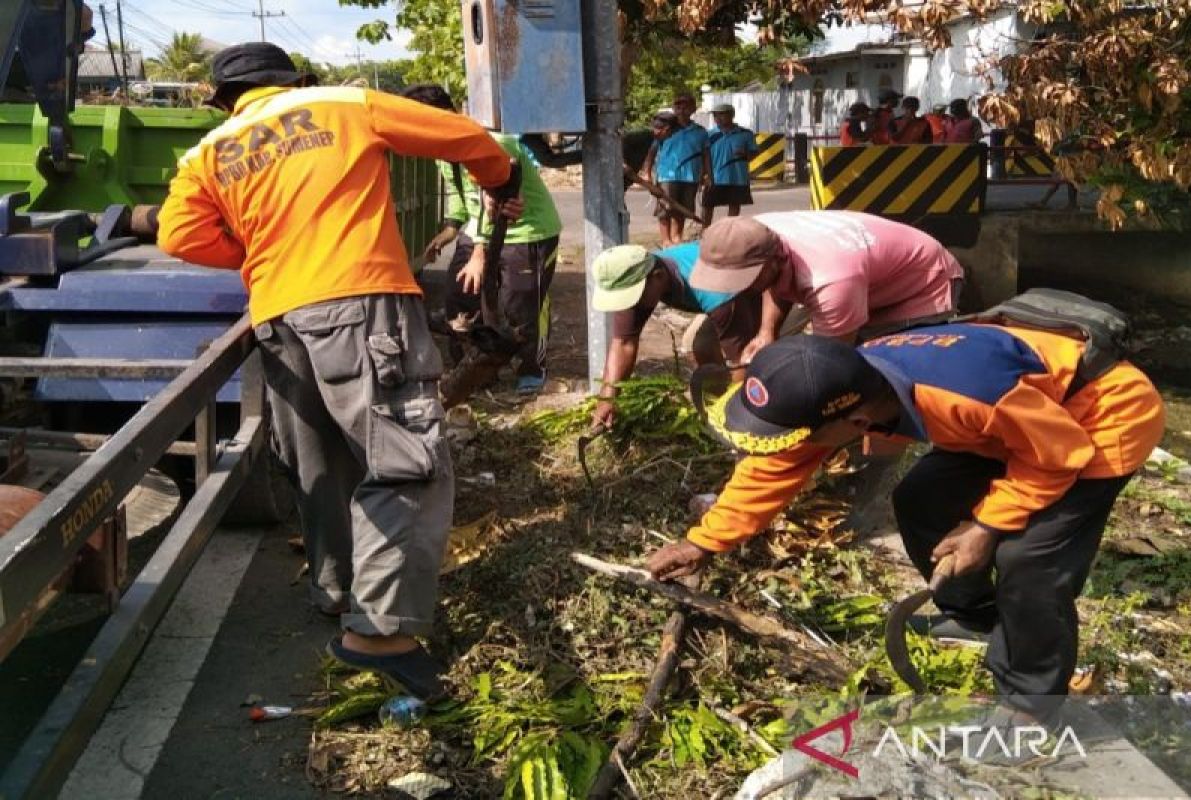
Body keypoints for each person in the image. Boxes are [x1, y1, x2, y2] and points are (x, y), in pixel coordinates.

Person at [157, 43, 519, 700]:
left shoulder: (210, 152)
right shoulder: (339, 103)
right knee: (408, 460)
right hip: (360, 300)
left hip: (278, 314)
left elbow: (177, 237)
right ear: (295, 79)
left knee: (319, 460)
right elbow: (467, 138)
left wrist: (260, 249)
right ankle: (378, 636)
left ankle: (339, 591)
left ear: (224, 99)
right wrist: (502, 183)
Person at [646, 326, 1164, 727]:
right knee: (919, 500)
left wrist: (985, 525)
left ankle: (1032, 704)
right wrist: (702, 542)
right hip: (1015, 424)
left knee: (1028, 558)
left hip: (1097, 419)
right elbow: (774, 466)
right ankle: (976, 615)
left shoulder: (963, 394)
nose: (788, 446)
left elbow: (1057, 457)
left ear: (854, 425)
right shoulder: (846, 382)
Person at [404, 84, 562, 396]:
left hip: (527, 234)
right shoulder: (441, 150)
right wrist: (448, 232)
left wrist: (480, 254)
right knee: (460, 301)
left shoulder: (490, 143)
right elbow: (463, 200)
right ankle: (475, 369)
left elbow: (497, 205)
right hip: (478, 232)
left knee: (521, 307)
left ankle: (531, 368)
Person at [688, 212, 964, 364]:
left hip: (921, 283)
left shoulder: (829, 280)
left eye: (741, 281)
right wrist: (766, 332)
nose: (734, 291)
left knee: (884, 369)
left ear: (772, 261)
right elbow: (777, 282)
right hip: (865, 274)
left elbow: (828, 361)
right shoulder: (757, 232)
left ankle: (883, 459)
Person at [587, 242, 761, 430]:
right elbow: (623, 342)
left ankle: (749, 418)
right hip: (731, 293)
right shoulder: (640, 274)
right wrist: (607, 398)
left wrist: (740, 425)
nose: (630, 306)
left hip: (773, 289)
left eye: (633, 297)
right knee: (702, 345)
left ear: (658, 277)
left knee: (767, 353)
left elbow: (742, 361)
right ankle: (718, 411)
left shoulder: (714, 294)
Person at [641, 92, 711, 245]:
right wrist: (647, 173)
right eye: (678, 105)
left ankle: (676, 236)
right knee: (664, 209)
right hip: (667, 175)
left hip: (690, 176)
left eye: (686, 105)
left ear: (694, 108)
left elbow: (706, 154)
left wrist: (708, 175)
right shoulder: (665, 129)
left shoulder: (700, 132)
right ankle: (666, 240)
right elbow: (651, 152)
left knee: (682, 209)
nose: (682, 108)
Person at [702, 103, 758, 227]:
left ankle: (729, 230)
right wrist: (704, 175)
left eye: (722, 114)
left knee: (734, 205)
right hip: (714, 177)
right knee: (707, 205)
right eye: (715, 115)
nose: (718, 118)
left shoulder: (746, 134)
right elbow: (703, 157)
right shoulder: (708, 135)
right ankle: (705, 231)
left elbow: (754, 153)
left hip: (737, 177)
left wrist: (746, 153)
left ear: (731, 115)